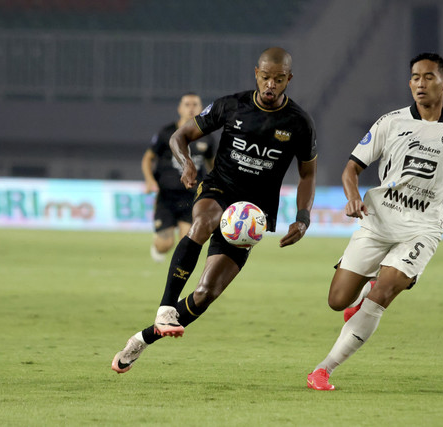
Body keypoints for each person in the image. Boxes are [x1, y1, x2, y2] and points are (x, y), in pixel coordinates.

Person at [112, 47, 317, 374]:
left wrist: (303, 218)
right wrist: (187, 163)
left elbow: (308, 174)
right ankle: (166, 308)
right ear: (256, 74)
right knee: (204, 221)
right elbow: (180, 136)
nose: (270, 85)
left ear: (288, 79)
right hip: (220, 189)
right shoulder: (231, 105)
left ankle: (143, 339)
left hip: (252, 213)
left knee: (207, 293)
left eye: (278, 80)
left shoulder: (299, 124)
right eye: (265, 77)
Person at [306, 52, 443, 391]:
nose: (420, 83)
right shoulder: (390, 123)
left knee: (383, 293)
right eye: (415, 76)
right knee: (338, 301)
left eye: (429, 77)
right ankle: (364, 291)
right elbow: (351, 169)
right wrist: (353, 196)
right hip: (379, 221)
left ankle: (323, 370)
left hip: (424, 227)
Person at [141, 93, 216, 262]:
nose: (191, 108)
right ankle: (159, 244)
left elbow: (212, 165)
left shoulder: (208, 138)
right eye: (187, 104)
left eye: (195, 104)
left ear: (201, 108)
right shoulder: (167, 133)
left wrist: (216, 185)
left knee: (186, 244)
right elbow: (148, 158)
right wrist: (149, 180)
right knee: (165, 244)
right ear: (179, 108)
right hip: (166, 197)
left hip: (192, 197)